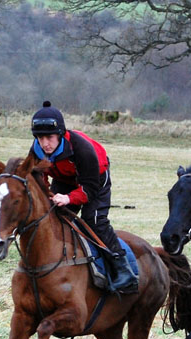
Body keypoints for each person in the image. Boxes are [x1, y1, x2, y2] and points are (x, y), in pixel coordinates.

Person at [28, 101, 138, 294]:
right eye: (39, 137)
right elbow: (39, 179)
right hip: (64, 179)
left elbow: (89, 188)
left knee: (93, 220)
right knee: (54, 217)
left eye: (49, 137)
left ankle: (123, 269)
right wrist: (47, 195)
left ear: (60, 134)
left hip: (95, 178)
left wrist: (69, 199)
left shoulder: (82, 148)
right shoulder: (37, 150)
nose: (44, 143)